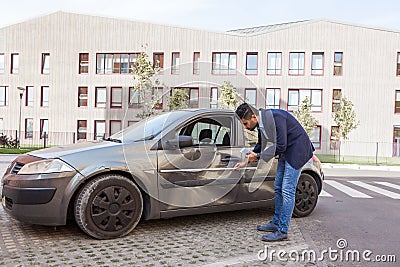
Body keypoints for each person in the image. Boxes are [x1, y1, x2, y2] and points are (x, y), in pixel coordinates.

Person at [234, 103, 314, 242]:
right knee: (278, 187)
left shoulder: (276, 117)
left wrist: (258, 156)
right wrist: (246, 161)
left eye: (246, 124)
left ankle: (282, 230)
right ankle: (276, 222)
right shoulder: (261, 123)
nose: (246, 127)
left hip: (297, 152)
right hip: (286, 151)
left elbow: (281, 145)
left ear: (253, 116)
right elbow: (261, 144)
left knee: (287, 190)